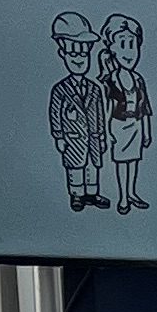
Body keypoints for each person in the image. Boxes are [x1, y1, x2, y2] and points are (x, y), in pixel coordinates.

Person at [47, 14, 105, 211]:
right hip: (73, 138)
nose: (79, 59)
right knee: (75, 167)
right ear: (63, 54)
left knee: (92, 167)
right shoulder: (60, 89)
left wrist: (101, 136)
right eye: (73, 54)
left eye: (83, 54)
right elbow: (55, 114)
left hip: (93, 137)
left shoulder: (94, 89)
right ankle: (77, 195)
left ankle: (92, 194)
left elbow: (99, 114)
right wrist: (59, 136)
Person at [99, 13, 152, 215]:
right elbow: (108, 107)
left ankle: (131, 193)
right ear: (112, 49)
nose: (129, 51)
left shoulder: (138, 79)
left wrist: (146, 132)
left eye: (132, 45)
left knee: (134, 161)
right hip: (119, 126)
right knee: (121, 163)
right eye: (123, 44)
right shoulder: (112, 79)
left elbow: (145, 108)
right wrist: (106, 132)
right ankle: (122, 197)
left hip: (135, 126)